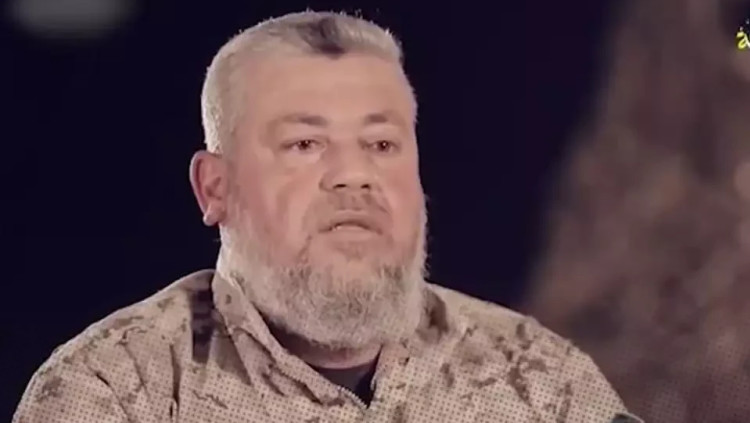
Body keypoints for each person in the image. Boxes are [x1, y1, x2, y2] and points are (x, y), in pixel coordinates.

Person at [12, 10, 643, 423]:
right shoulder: (116, 392)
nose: (354, 174)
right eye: (305, 144)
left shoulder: (538, 379)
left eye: (382, 144)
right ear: (215, 188)